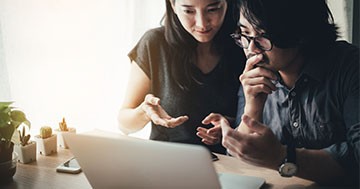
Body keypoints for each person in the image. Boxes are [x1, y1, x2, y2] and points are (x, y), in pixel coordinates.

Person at [198, 0, 359, 186]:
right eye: (245, 34)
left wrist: (281, 157)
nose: (251, 49)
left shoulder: (350, 69)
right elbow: (240, 161)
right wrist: (252, 107)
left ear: (300, 33)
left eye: (263, 36)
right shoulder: (255, 75)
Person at [118, 0, 245, 154]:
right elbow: (124, 124)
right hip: (166, 162)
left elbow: (263, 119)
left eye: (213, 9)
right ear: (173, 5)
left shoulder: (246, 45)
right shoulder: (154, 43)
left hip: (230, 164)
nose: (202, 24)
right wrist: (145, 112)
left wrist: (229, 126)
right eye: (189, 11)